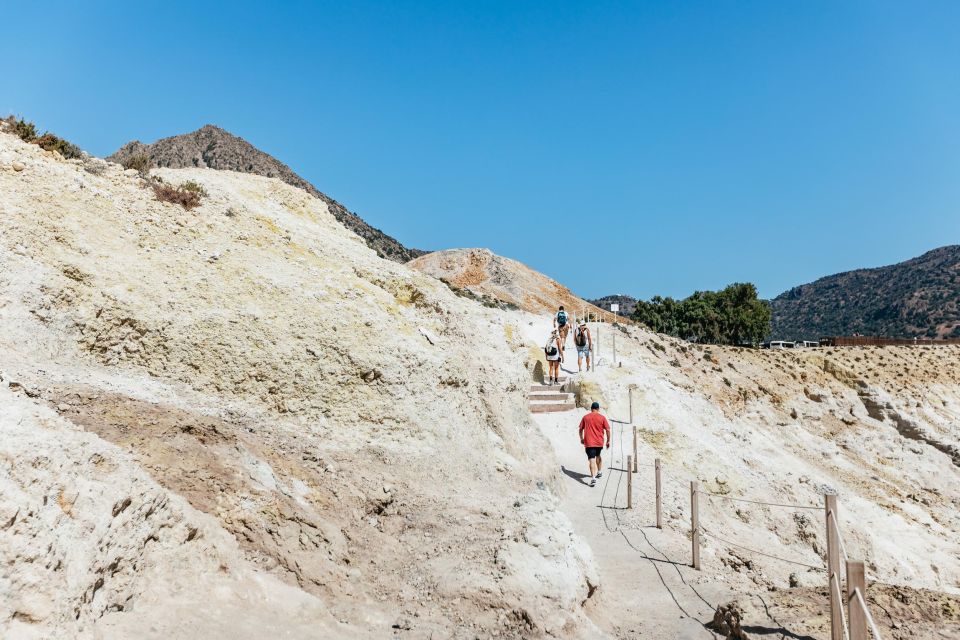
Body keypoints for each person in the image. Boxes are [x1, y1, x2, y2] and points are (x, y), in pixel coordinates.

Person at [578, 401, 611, 487]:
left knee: (591, 459)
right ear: (598, 409)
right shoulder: (602, 417)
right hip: (599, 442)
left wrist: (581, 438)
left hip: (589, 442)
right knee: (598, 455)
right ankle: (599, 472)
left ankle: (593, 478)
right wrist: (608, 441)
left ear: (591, 409)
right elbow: (607, 430)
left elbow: (580, 429)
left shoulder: (585, 417)